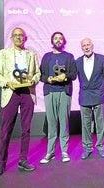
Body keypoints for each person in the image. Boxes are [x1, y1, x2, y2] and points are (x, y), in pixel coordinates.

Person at [0, 27, 41, 179]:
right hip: (10, 92)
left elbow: (37, 73)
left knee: (26, 129)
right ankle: (1, 163)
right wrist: (7, 83)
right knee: (6, 129)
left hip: (27, 93)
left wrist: (33, 80)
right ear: (11, 38)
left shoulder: (32, 54)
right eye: (16, 35)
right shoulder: (4, 53)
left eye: (21, 35)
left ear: (25, 38)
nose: (19, 38)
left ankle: (23, 160)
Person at [39, 32, 77, 164]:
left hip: (64, 92)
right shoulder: (46, 56)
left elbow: (74, 74)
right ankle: (50, 152)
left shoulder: (69, 56)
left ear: (64, 41)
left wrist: (65, 76)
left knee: (64, 122)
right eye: (56, 38)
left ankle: (64, 151)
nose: (58, 40)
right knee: (51, 123)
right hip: (50, 92)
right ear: (52, 41)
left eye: (60, 38)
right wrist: (48, 78)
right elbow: (40, 75)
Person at [75, 38, 104, 159]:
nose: (86, 47)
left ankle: (100, 146)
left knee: (100, 123)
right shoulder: (77, 61)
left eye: (88, 45)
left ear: (92, 46)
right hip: (84, 95)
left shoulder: (102, 59)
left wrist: (101, 91)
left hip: (98, 95)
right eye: (84, 46)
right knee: (85, 124)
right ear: (81, 48)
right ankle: (87, 147)